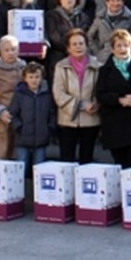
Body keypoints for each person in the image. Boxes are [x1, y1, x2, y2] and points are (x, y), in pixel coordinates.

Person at [96, 30, 131, 168]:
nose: (122, 49)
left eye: (126, 45)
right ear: (113, 49)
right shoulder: (105, 70)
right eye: (119, 46)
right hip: (115, 125)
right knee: (120, 166)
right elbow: (100, 94)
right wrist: (118, 100)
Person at [52, 29, 101, 164]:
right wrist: (80, 105)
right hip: (67, 119)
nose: (78, 47)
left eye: (81, 43)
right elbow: (58, 93)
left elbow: (101, 90)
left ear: (86, 46)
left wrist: (95, 104)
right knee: (66, 160)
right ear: (68, 48)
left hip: (90, 118)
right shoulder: (61, 66)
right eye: (74, 44)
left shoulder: (97, 66)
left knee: (87, 160)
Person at [9, 62, 56, 174]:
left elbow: (52, 114)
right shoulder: (19, 94)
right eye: (31, 77)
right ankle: (19, 191)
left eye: (37, 77)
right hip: (22, 138)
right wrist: (19, 128)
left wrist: (49, 129)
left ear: (41, 78)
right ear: (25, 78)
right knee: (21, 169)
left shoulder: (46, 95)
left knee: (39, 169)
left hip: (41, 139)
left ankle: (38, 192)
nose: (34, 80)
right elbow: (13, 114)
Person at [45, 0, 91, 82]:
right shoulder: (52, 15)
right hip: (59, 55)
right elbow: (54, 36)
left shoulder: (83, 17)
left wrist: (77, 47)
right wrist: (70, 47)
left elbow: (85, 34)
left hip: (79, 56)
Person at [87, 0, 131, 64]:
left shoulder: (130, 19)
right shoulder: (100, 18)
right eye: (112, 0)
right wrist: (97, 52)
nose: (116, 3)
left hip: (124, 58)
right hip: (104, 59)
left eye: (118, 0)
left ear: (123, 2)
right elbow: (89, 36)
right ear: (106, 2)